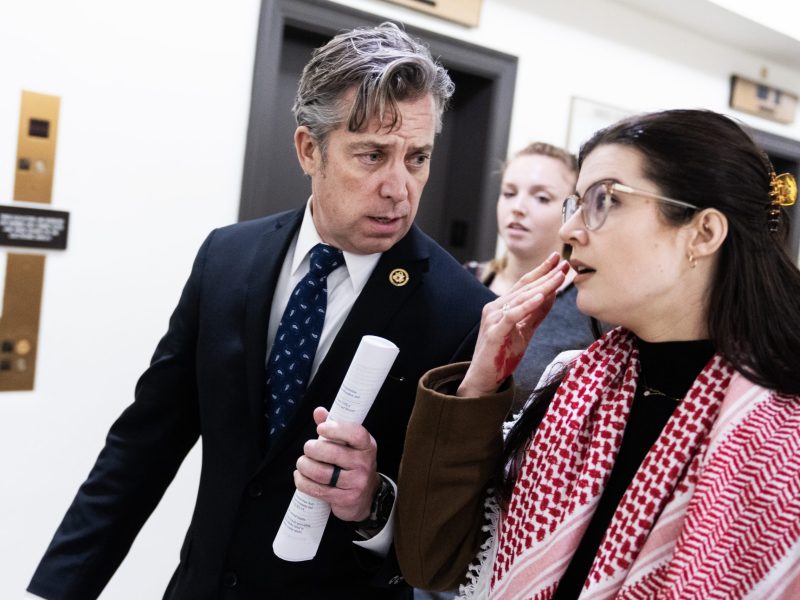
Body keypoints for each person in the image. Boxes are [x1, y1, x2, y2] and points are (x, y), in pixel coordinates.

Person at [27, 22, 494, 599]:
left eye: (417, 158)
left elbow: (449, 533)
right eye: (372, 155)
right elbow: (143, 445)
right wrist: (57, 589)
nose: (399, 187)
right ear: (308, 149)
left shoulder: (462, 311)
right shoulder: (227, 258)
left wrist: (373, 503)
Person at [396, 109, 800, 599]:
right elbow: (430, 561)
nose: (570, 232)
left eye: (604, 201)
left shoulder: (777, 435)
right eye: (575, 205)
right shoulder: (575, 386)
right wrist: (479, 385)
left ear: (704, 233)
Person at [464, 142, 593, 403]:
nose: (518, 208)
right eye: (509, 193)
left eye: (542, 198)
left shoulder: (589, 302)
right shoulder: (463, 280)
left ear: (572, 210)